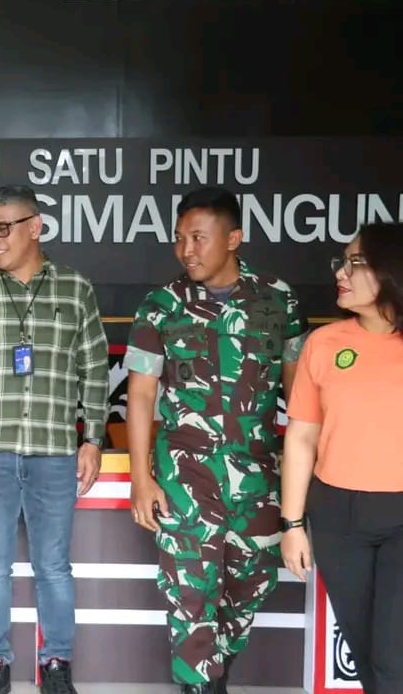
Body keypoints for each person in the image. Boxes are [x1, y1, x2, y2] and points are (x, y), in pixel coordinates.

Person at [124, 186, 308, 694]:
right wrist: (141, 478)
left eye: (199, 238)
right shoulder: (160, 305)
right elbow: (140, 395)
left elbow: (301, 398)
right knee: (190, 592)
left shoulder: (278, 299)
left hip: (257, 476)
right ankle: (201, 684)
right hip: (186, 474)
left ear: (233, 238)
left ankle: (213, 670)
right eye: (180, 238)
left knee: (252, 583)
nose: (186, 250)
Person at [0, 184, 110, 694]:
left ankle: (57, 664)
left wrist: (93, 439)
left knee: (53, 566)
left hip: (55, 453)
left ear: (35, 227)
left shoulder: (75, 289)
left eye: (2, 228)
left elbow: (95, 369)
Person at [281, 222, 403, 693]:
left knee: (393, 658)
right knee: (366, 652)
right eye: (342, 262)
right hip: (337, 516)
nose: (341, 273)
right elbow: (301, 437)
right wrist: (293, 525)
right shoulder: (325, 343)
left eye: (356, 263)